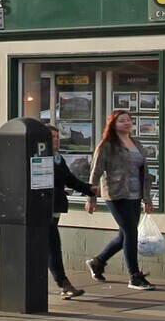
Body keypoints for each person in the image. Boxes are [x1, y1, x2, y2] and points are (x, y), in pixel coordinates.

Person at [85, 109, 155, 290]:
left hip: (135, 195)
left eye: (128, 120)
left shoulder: (137, 144)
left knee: (124, 234)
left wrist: (147, 198)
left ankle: (98, 262)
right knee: (131, 233)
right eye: (122, 120)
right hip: (116, 195)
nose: (126, 123)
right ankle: (134, 275)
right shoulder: (107, 145)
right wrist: (91, 197)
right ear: (113, 125)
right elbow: (96, 172)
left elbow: (145, 174)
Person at [43, 124, 94, 298]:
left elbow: (69, 180)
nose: (55, 140)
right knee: (52, 246)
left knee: (49, 246)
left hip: (54, 207)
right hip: (43, 208)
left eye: (57, 137)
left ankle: (62, 283)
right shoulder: (38, 157)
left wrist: (90, 190)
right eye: (52, 137)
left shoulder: (58, 158)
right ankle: (63, 283)